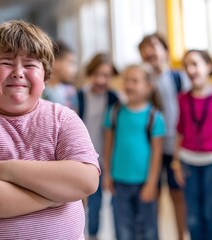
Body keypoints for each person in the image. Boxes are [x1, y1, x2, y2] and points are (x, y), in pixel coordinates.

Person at [0, 20, 100, 240]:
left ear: (45, 78)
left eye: (30, 65)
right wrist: (53, 196)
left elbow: (86, 181)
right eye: (6, 62)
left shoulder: (63, 119)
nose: (18, 72)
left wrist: (8, 170)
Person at [172, 49, 212, 240]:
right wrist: (176, 163)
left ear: (208, 67)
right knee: (193, 217)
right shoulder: (183, 98)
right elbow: (180, 131)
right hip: (189, 163)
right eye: (186, 66)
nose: (190, 69)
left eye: (195, 64)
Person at [103, 64, 166, 240]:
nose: (129, 85)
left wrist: (152, 183)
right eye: (126, 80)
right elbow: (108, 147)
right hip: (119, 183)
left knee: (148, 230)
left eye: (135, 81)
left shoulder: (154, 117)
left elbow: (156, 154)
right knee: (123, 230)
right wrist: (107, 174)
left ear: (148, 87)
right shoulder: (114, 112)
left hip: (144, 183)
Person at [138, 33, 190, 239]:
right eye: (145, 48)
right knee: (154, 194)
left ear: (166, 51)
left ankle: (181, 236)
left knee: (178, 194)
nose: (150, 51)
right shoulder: (145, 82)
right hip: (152, 147)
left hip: (176, 147)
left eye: (154, 46)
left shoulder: (179, 78)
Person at [76, 53, 119, 240]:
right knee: (80, 202)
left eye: (106, 75)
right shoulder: (79, 96)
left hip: (104, 158)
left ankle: (93, 234)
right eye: (97, 74)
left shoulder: (114, 99)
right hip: (82, 159)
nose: (101, 80)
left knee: (98, 202)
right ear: (90, 73)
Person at [42, 40, 78, 110]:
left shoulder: (70, 92)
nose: (74, 69)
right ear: (55, 62)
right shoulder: (40, 91)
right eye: (70, 63)